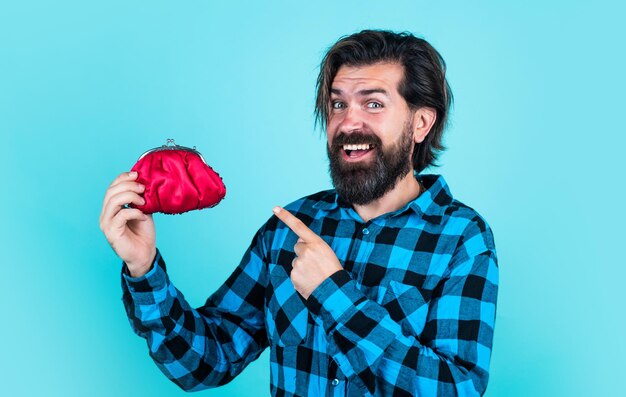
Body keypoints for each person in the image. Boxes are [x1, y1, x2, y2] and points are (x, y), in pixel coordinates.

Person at [99, 30, 498, 396]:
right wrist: (143, 267)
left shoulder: (462, 238)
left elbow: (456, 388)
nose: (348, 122)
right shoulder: (288, 229)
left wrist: (332, 293)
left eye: (373, 103)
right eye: (338, 104)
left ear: (421, 123)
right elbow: (205, 363)